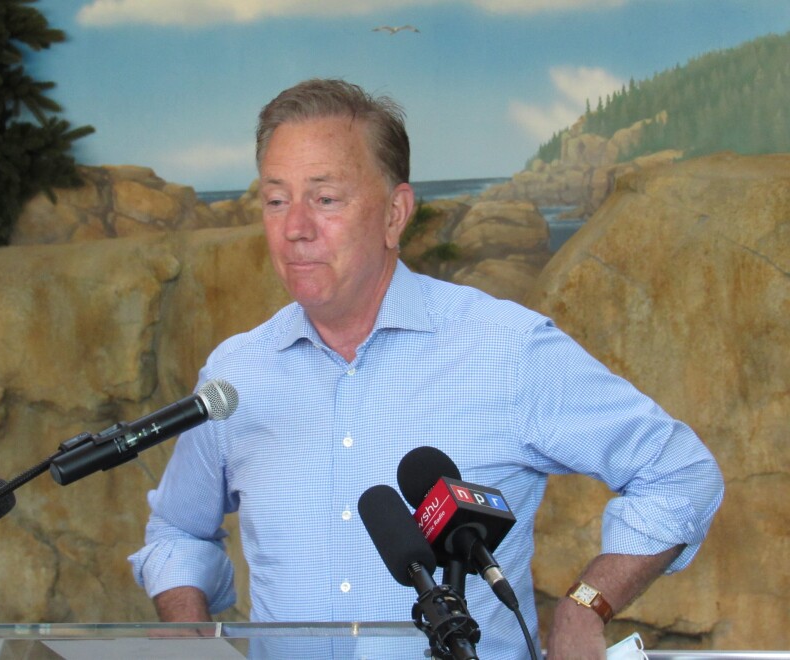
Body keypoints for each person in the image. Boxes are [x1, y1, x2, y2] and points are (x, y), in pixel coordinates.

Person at [129, 78, 724, 659]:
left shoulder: (504, 348)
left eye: (325, 198)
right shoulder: (236, 374)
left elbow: (678, 474)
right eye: (276, 199)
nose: (295, 229)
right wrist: (188, 633)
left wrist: (584, 605)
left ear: (395, 214)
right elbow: (178, 530)